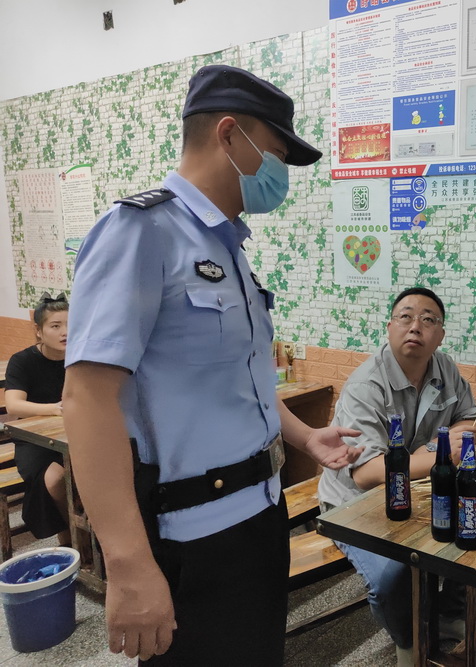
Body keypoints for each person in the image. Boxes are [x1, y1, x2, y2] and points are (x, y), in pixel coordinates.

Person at [62, 65, 362, 665]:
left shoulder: (227, 247)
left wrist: (303, 435)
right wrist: (128, 564)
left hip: (261, 513)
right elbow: (87, 400)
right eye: (278, 153)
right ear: (229, 134)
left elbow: (239, 379)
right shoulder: (142, 232)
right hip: (191, 533)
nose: (280, 173)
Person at [317, 286, 476, 666]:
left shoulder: (444, 367)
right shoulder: (366, 385)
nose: (415, 326)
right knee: (395, 575)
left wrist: (447, 442)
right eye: (406, 317)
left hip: (418, 490)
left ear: (440, 335)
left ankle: (447, 614)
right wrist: (439, 453)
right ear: (389, 327)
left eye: (428, 319)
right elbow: (367, 473)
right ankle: (410, 643)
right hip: (357, 504)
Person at [4, 293, 71, 545]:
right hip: (34, 441)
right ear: (39, 331)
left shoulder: (79, 359)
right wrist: (53, 408)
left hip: (73, 434)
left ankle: (80, 540)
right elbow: (14, 404)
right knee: (55, 479)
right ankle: (74, 539)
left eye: (70, 325)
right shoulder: (23, 361)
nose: (65, 332)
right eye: (55, 326)